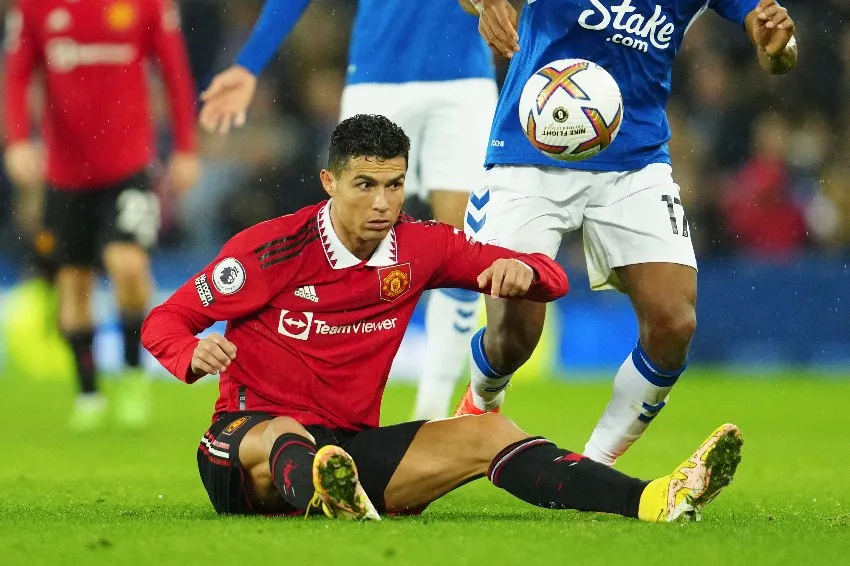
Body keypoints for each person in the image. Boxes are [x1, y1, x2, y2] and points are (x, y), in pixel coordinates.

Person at [142, 114, 742, 521]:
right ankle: (329, 499)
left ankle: (657, 500)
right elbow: (164, 322)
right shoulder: (270, 249)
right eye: (364, 185)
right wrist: (189, 352)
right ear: (329, 182)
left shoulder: (420, 247)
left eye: (396, 185)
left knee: (489, 432)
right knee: (286, 435)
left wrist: (527, 275)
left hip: (351, 450)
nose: (382, 203)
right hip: (242, 446)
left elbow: (549, 273)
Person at [453, 0, 797, 466]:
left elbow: (774, 43)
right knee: (514, 335)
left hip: (635, 159)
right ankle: (481, 398)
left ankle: (593, 467)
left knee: (674, 323)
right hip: (529, 147)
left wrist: (776, 46)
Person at [197, 0, 500, 420]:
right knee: (347, 240)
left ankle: (431, 413)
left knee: (463, 242)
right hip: (378, 78)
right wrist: (250, 64)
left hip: (465, 81)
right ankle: (322, 400)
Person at [3, 0, 201, 430]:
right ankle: (88, 393)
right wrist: (17, 139)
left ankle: (132, 375)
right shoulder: (35, 8)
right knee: (74, 284)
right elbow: (16, 74)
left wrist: (186, 147)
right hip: (64, 173)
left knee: (128, 265)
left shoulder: (147, 5)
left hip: (129, 167)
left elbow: (174, 73)